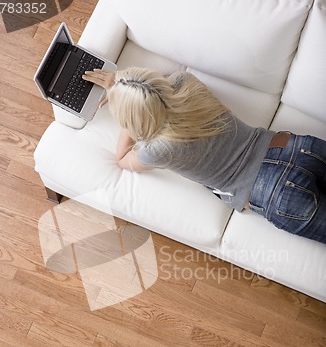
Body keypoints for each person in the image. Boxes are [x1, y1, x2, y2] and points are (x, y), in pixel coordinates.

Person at [82, 67, 326, 243]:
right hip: (296, 148)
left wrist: (128, 117)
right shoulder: (185, 81)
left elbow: (122, 158)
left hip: (275, 191)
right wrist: (122, 82)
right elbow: (161, 80)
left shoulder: (157, 149)